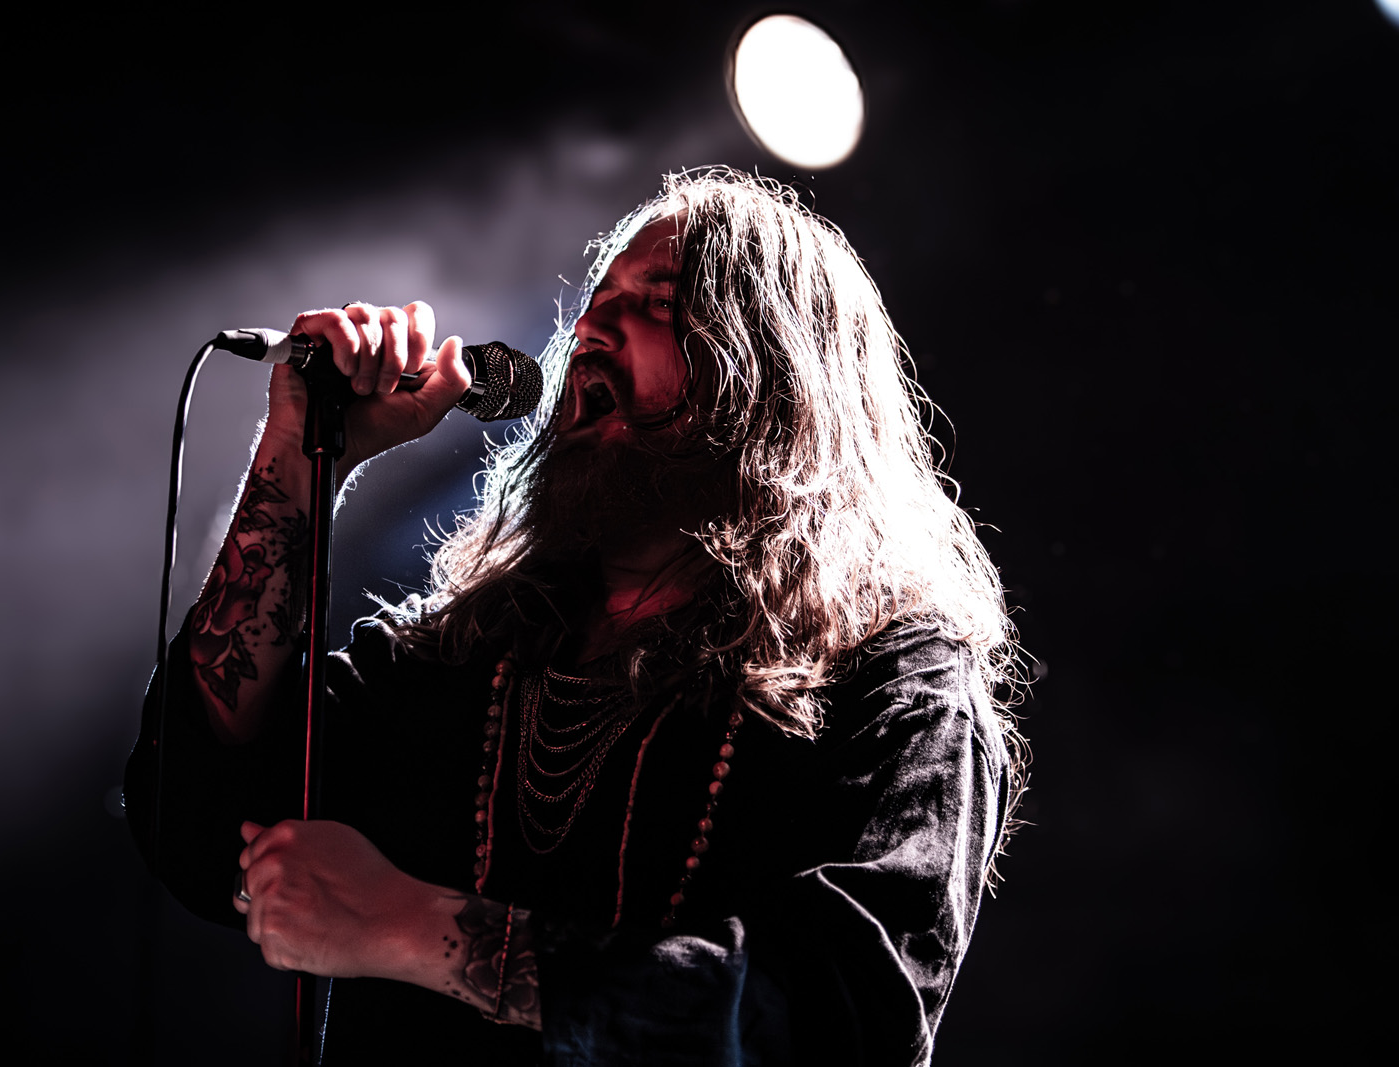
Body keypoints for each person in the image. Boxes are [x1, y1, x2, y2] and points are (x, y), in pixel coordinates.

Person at [125, 167, 1027, 1066]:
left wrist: (418, 928)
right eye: (596, 301)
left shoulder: (892, 676)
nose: (591, 329)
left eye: (659, 302)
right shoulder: (467, 653)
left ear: (773, 381)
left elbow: (848, 1013)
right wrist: (300, 457)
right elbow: (196, 817)